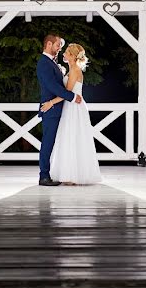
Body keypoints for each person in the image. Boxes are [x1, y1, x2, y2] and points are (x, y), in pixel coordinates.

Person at [42, 42, 102, 185]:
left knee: (73, 138)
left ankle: (73, 176)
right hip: (71, 106)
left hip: (74, 108)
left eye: (67, 53)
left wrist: (51, 103)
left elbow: (66, 93)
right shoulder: (71, 69)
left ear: (73, 57)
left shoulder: (75, 70)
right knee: (69, 138)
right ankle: (69, 174)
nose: (63, 54)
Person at [36, 34, 82, 186]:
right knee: (48, 142)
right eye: (57, 46)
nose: (59, 49)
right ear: (49, 44)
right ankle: (43, 176)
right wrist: (72, 97)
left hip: (59, 108)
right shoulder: (44, 63)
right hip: (52, 109)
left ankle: (58, 172)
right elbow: (53, 86)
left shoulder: (52, 63)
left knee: (57, 142)